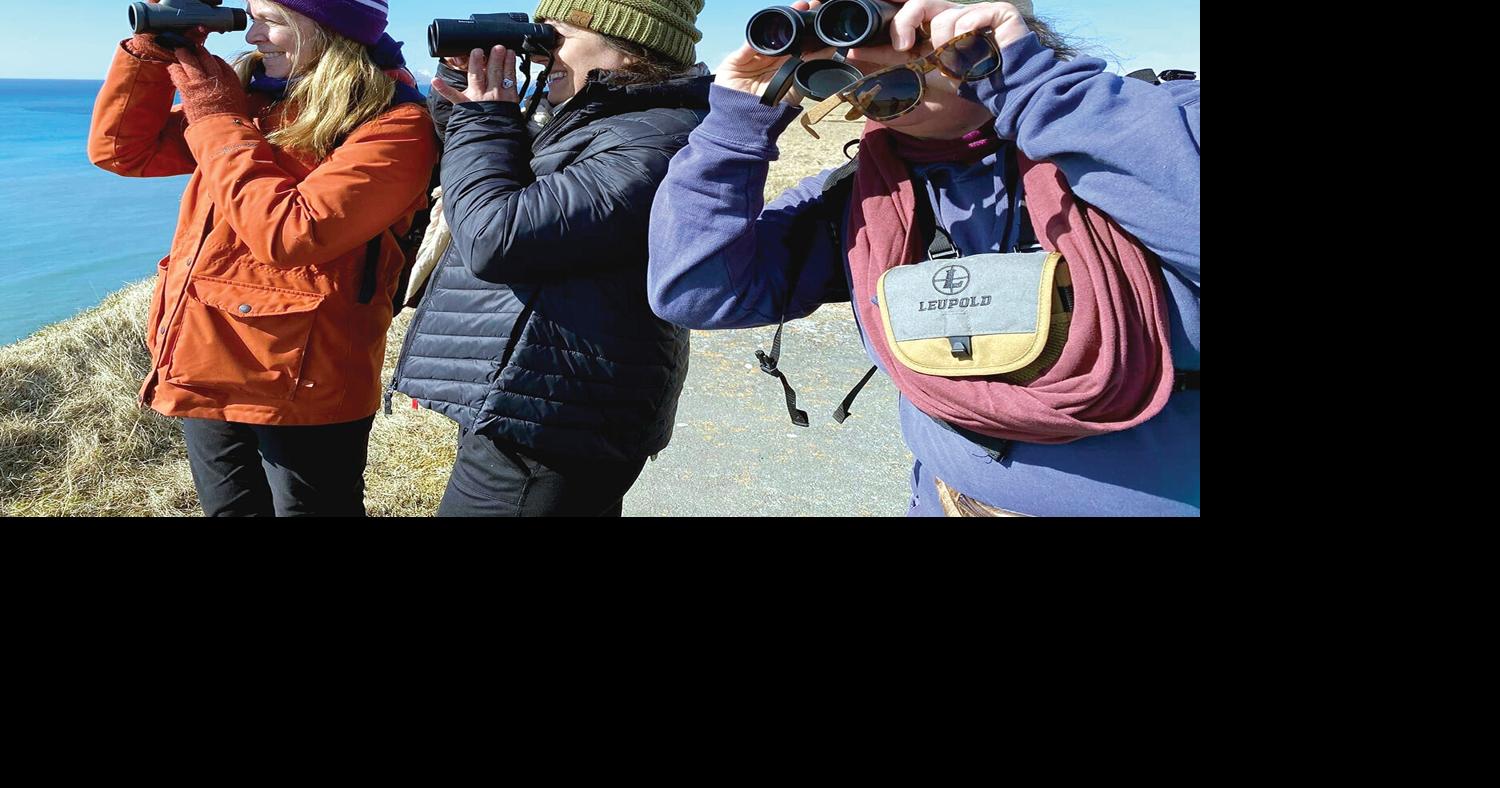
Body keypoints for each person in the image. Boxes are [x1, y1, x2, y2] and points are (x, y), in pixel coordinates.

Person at [647, 0, 1200, 516]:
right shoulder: (868, 197)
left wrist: (1026, 82)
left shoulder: (1143, 126)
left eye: (888, 17)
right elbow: (698, 290)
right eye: (842, 30)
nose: (861, 50)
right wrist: (735, 126)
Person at [88, 0, 439, 517]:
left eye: (270, 21)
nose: (252, 37)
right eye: (249, 18)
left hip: (307, 385)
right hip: (208, 357)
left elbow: (293, 234)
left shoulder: (395, 125)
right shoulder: (256, 101)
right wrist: (152, 49)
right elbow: (121, 150)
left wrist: (216, 116)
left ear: (331, 29)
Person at [387, 0, 712, 517]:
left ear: (628, 48)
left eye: (558, 35)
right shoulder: (603, 119)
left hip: (558, 423)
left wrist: (485, 117)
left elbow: (495, 234)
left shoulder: (656, 141)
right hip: (544, 402)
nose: (542, 51)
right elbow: (498, 169)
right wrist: (464, 101)